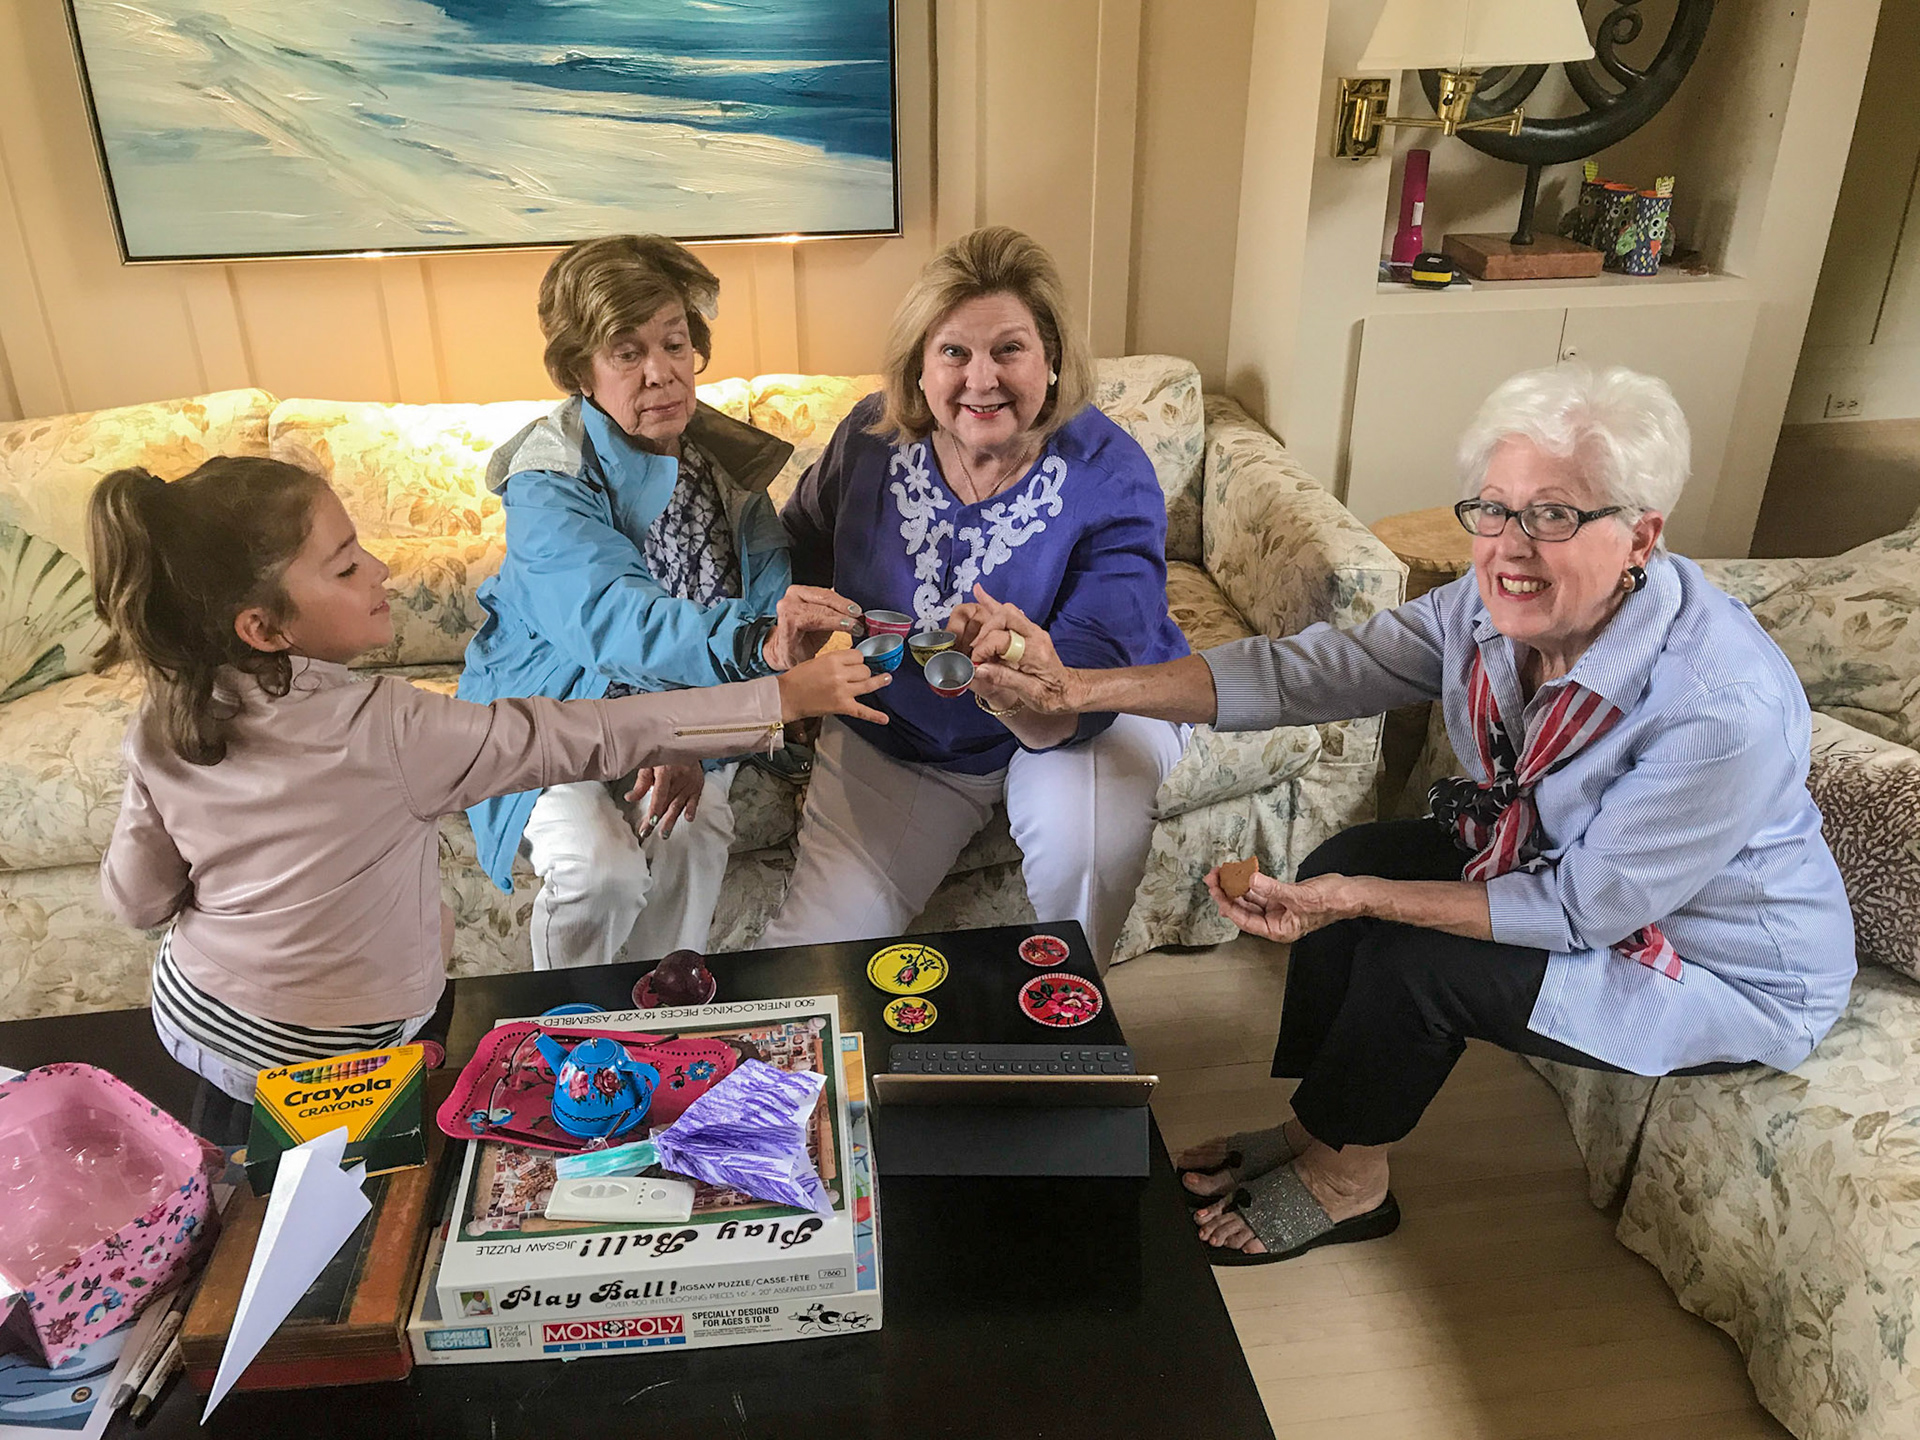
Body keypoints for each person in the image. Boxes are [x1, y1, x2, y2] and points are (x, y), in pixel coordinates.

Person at [966, 366, 1856, 1264]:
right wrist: (1080, 689)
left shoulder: (1719, 708)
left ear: (1641, 537)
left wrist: (1360, 899)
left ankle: (1350, 1183)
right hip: (1557, 865)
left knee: (1413, 958)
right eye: (1494, 510)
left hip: (1705, 960)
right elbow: (1307, 672)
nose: (1509, 548)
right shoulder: (1485, 610)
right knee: (1344, 859)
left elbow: (1579, 911)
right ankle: (1323, 1131)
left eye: (1553, 515)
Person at [91, 456, 888, 1102]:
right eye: (346, 566)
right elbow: (590, 735)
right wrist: (781, 698)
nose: (380, 569)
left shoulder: (164, 714)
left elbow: (139, 902)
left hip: (192, 1020)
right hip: (343, 1056)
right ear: (263, 627)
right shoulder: (390, 728)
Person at [758, 226, 1191, 968]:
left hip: (1086, 716)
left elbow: (1090, 671)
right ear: (919, 367)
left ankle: (1069, 1018)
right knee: (813, 958)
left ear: (1052, 360)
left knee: (1081, 851)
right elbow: (794, 543)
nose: (980, 379)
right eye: (954, 351)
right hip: (905, 729)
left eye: (1009, 349)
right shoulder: (868, 439)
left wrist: (1019, 668)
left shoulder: (1110, 471)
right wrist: (779, 633)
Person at [459, 235, 864, 970]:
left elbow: (768, 610)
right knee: (600, 871)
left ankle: (664, 1010)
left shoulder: (727, 468)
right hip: (559, 709)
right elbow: (612, 621)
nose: (661, 372)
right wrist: (718, 686)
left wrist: (698, 739)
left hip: (691, 711)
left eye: (675, 344)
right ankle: (569, 1023)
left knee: (695, 830)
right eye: (627, 353)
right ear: (580, 370)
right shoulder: (549, 477)